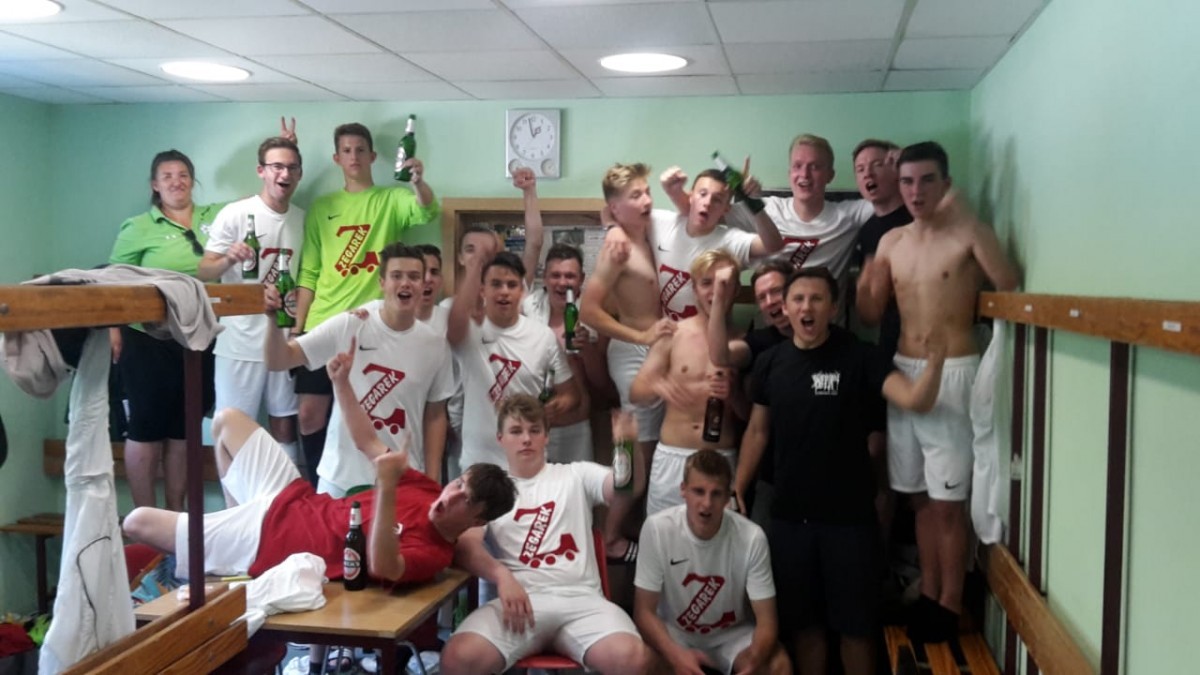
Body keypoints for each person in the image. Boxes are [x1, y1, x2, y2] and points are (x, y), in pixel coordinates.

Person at [120, 345, 516, 585]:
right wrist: (341, 384)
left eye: (466, 499)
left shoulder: (434, 554)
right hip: (294, 497)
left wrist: (387, 488)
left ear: (477, 520)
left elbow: (382, 565)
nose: (450, 495)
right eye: (458, 484)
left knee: (136, 521)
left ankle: (231, 549)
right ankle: (228, 538)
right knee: (227, 421)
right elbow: (367, 441)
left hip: (270, 542)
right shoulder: (428, 489)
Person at [736, 267, 946, 675]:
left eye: (817, 299)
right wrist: (738, 487)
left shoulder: (860, 357)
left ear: (833, 308)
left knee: (856, 629)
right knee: (805, 628)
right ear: (786, 308)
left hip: (849, 522)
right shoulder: (770, 363)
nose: (807, 307)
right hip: (790, 520)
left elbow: (914, 399)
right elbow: (758, 431)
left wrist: (937, 360)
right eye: (798, 299)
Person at [856, 141, 1019, 642]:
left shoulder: (968, 232)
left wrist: (970, 219)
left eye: (927, 180)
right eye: (907, 181)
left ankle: (950, 602)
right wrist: (866, 281)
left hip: (953, 372)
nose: (915, 191)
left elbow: (1009, 283)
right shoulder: (892, 242)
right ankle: (929, 592)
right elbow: (870, 314)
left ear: (946, 183)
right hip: (905, 372)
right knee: (918, 498)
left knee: (949, 502)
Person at [440, 394, 650, 675]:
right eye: (516, 431)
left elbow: (627, 488)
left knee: (633, 658)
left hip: (582, 602)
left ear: (546, 436)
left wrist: (626, 445)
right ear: (500, 438)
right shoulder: (493, 491)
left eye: (534, 430)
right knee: (457, 659)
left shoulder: (576, 474)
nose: (526, 439)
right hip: (518, 605)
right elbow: (466, 548)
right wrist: (502, 576)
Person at [292, 122, 440, 492]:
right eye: (346, 150)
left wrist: (418, 181)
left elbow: (427, 211)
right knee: (309, 415)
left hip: (370, 325)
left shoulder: (390, 199)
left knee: (367, 410)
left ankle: (372, 486)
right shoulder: (322, 207)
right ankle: (319, 488)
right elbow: (309, 271)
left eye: (360, 150)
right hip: (324, 319)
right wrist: (297, 326)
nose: (354, 157)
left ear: (373, 156)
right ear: (336, 158)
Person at [265, 243, 455, 491]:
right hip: (340, 478)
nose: (406, 283)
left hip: (403, 478)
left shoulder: (435, 345)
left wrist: (431, 480)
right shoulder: (351, 324)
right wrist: (272, 320)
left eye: (414, 277)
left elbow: (435, 415)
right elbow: (279, 360)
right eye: (397, 276)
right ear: (382, 282)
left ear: (422, 284)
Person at [108, 147, 227, 510]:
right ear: (155, 185)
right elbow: (113, 280)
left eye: (183, 175)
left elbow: (261, 201)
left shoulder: (215, 217)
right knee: (146, 427)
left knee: (184, 428)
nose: (177, 182)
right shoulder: (138, 227)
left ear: (193, 181)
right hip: (147, 340)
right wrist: (113, 330)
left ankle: (176, 520)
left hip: (198, 337)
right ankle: (145, 520)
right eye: (168, 176)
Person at [198, 135, 306, 489]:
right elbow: (204, 271)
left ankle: (282, 503)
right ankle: (237, 507)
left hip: (285, 341)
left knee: (285, 424)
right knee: (232, 427)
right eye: (276, 166)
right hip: (238, 341)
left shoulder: (302, 218)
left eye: (291, 167)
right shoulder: (236, 213)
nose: (284, 174)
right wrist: (229, 258)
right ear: (261, 171)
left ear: (299, 174)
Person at [579, 163, 674, 562]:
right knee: (638, 460)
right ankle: (612, 537)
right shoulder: (616, 251)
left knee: (648, 454)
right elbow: (588, 310)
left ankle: (627, 531)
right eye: (636, 196)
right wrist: (640, 337)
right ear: (618, 207)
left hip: (655, 350)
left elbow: (607, 210)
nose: (647, 200)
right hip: (633, 353)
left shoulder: (640, 233)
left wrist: (611, 223)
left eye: (647, 191)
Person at [634, 449, 790, 675]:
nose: (706, 504)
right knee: (643, 661)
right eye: (699, 491)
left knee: (778, 666)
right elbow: (643, 612)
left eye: (716, 494)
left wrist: (754, 662)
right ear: (683, 490)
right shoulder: (657, 529)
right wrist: (676, 655)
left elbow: (767, 622)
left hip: (731, 635)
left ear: (727, 497)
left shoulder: (752, 537)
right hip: (675, 633)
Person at [448, 244, 578, 472]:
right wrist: (476, 265)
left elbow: (569, 393)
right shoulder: (471, 333)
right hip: (479, 464)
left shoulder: (543, 336)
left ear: (522, 291)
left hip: (528, 462)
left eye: (511, 285)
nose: (504, 292)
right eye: (496, 284)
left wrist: (556, 406)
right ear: (483, 290)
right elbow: (454, 324)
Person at [630, 250, 741, 516]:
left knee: (721, 538)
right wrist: (659, 386)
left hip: (720, 457)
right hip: (673, 456)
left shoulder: (746, 341)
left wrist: (734, 394)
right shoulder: (674, 334)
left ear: (736, 289)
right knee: (662, 533)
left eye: (723, 283)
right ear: (694, 290)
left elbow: (752, 415)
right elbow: (636, 393)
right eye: (706, 283)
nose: (715, 291)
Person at [706, 259, 793, 527]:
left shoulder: (838, 344)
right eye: (761, 297)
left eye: (776, 291)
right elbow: (720, 355)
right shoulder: (761, 343)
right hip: (771, 472)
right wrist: (719, 298)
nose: (770, 301)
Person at [652, 165, 784, 321]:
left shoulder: (730, 241)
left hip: (710, 334)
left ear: (726, 209)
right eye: (702, 194)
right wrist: (672, 190)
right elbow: (626, 214)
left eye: (717, 199)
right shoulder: (663, 223)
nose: (707, 202)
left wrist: (755, 205)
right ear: (691, 196)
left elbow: (774, 245)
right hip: (665, 330)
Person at [522, 242, 612, 463]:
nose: (562, 282)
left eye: (570, 276)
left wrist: (587, 349)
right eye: (555, 275)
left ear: (581, 279)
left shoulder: (596, 315)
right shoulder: (528, 308)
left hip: (577, 423)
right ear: (544, 278)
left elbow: (602, 383)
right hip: (532, 424)